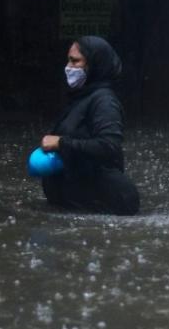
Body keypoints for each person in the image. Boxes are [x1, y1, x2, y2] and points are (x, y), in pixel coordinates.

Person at [39, 35, 140, 216]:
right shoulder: (80, 98)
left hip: (108, 202)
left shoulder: (104, 101)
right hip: (77, 203)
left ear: (94, 64)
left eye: (75, 61)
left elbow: (109, 145)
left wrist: (61, 143)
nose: (68, 67)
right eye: (68, 60)